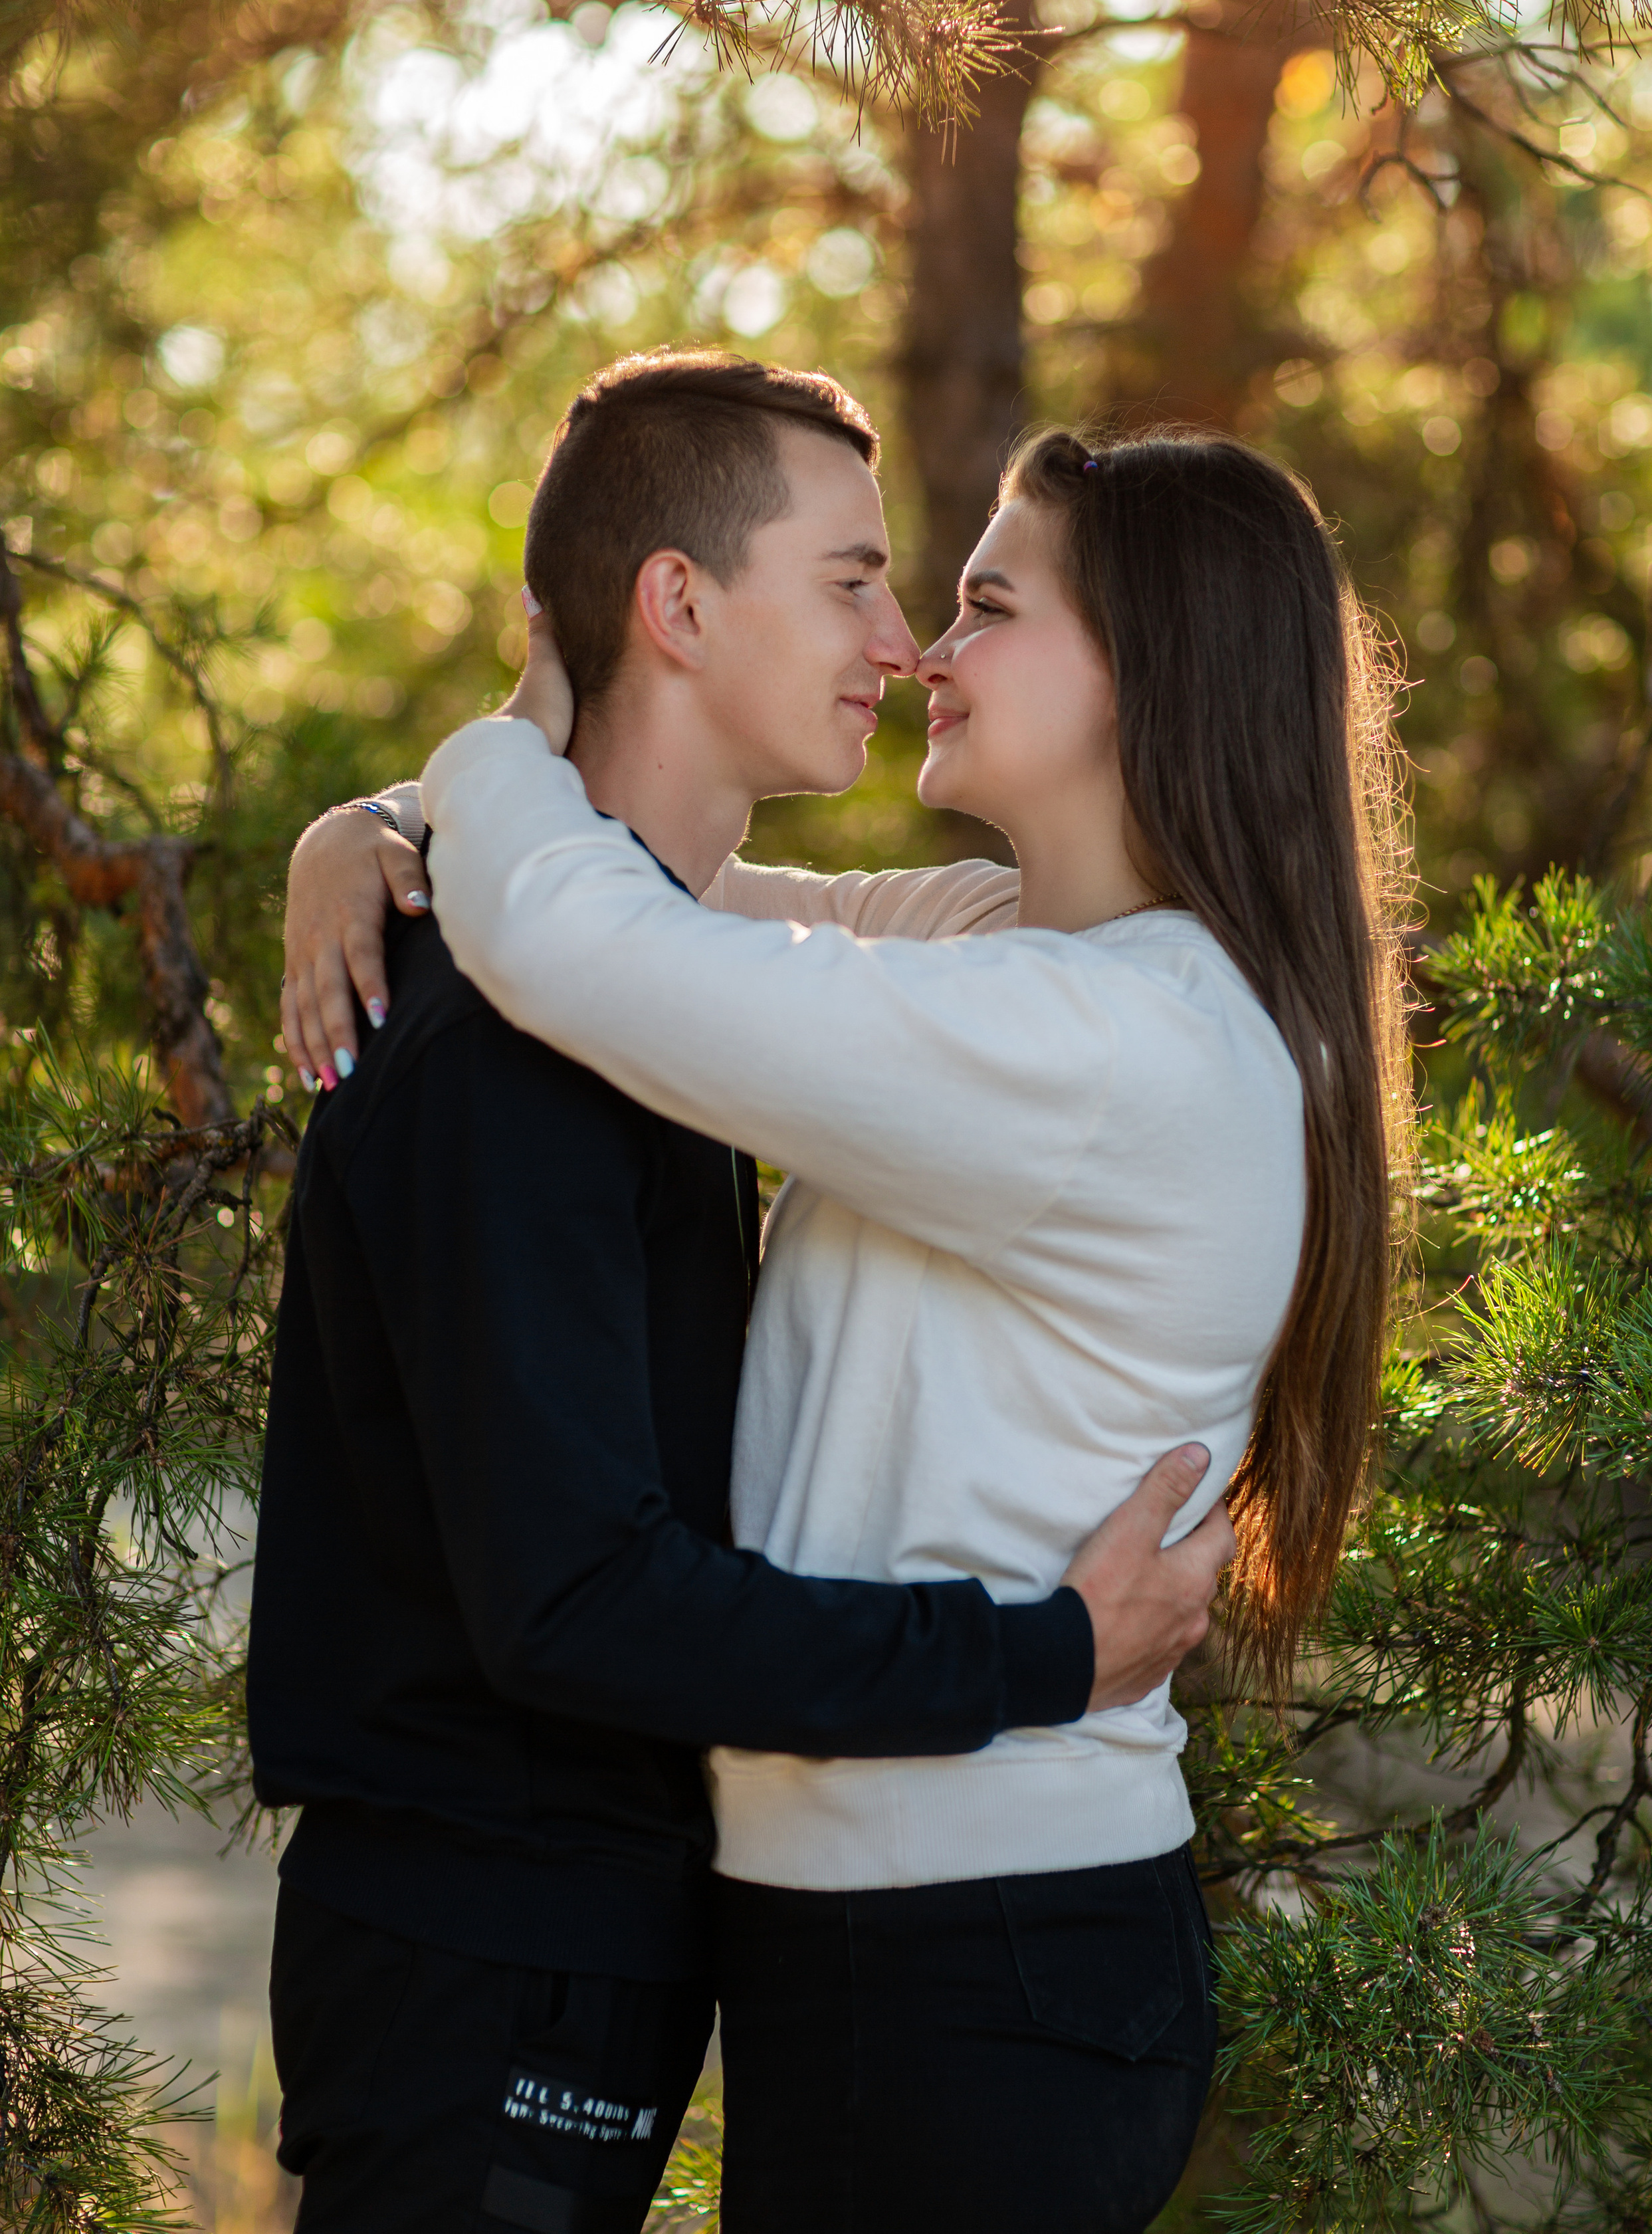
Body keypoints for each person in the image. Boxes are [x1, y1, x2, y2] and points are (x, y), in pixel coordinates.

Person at [294, 405, 1404, 2231]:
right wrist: (372, 829)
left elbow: (592, 942)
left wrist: (486, 743)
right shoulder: (1005, 952)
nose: (923, 650)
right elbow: (660, 889)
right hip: (903, 1938)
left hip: (976, 1953)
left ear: (1153, 670)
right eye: (907, 596)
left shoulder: (1120, 1044)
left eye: (985, 604)